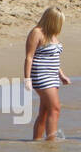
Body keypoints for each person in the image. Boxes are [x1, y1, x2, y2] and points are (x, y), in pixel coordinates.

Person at [22, 7, 69, 141]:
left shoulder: (53, 34)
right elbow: (29, 57)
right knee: (55, 108)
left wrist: (61, 74)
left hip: (53, 76)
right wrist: (27, 79)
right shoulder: (37, 32)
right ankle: (51, 142)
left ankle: (37, 141)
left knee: (45, 111)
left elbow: (53, 57)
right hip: (41, 75)